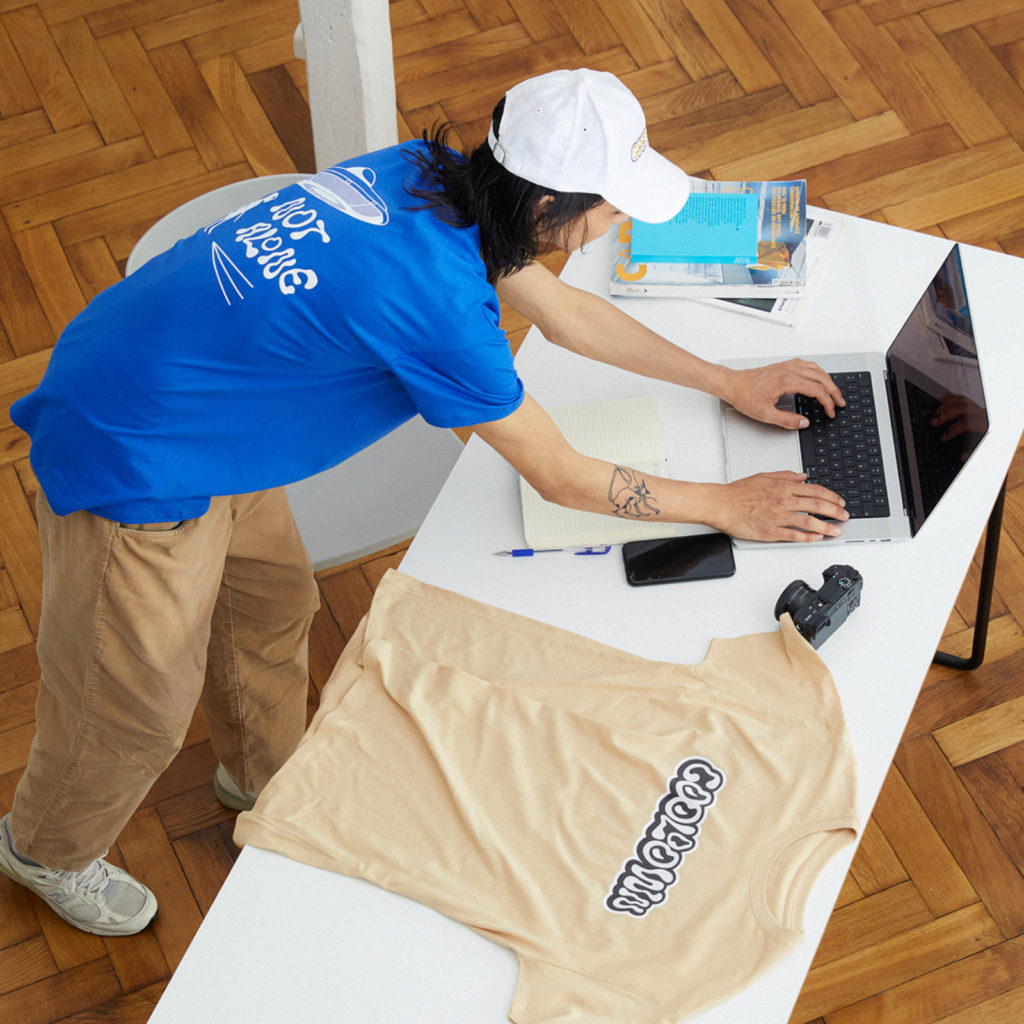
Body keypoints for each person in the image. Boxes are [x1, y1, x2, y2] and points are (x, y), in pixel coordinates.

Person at [0, 69, 847, 937]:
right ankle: (44, 850)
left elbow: (565, 315)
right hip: (132, 460)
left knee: (270, 607)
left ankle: (260, 779)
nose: (614, 224)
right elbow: (558, 475)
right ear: (547, 203)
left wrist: (728, 383)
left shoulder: (430, 174)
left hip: (202, 413)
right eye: (607, 207)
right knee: (131, 712)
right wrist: (725, 504)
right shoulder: (438, 304)